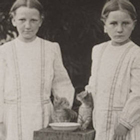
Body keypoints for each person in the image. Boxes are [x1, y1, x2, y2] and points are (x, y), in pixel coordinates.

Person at [0, 0, 74, 140]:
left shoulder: (50, 49)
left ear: (40, 21)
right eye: (22, 20)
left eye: (33, 20)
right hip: (12, 118)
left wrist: (63, 108)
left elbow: (62, 83)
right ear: (13, 20)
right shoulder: (4, 51)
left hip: (43, 116)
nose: (27, 26)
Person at [84, 0, 140, 140]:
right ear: (104, 26)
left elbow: (138, 93)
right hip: (101, 121)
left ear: (133, 24)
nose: (119, 29)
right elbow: (94, 83)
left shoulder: (136, 53)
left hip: (127, 123)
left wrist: (125, 123)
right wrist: (86, 103)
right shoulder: (98, 51)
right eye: (113, 23)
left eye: (125, 23)